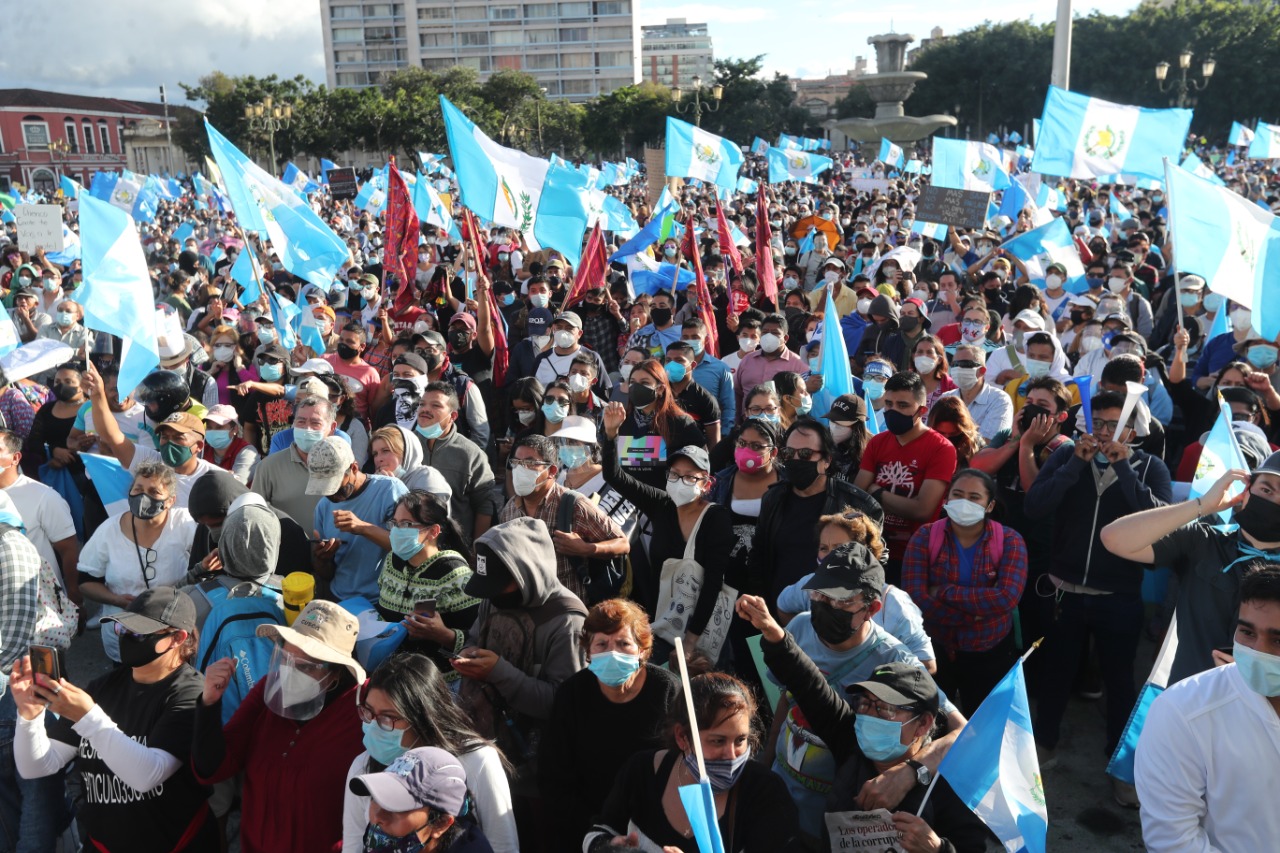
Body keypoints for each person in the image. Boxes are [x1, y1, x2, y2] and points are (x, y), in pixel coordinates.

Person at [739, 595, 989, 853]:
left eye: (887, 708)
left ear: (923, 723)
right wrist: (771, 630)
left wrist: (938, 849)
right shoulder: (850, 743)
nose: (871, 715)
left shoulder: (949, 788)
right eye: (866, 704)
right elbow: (808, 683)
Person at [749, 542, 965, 838]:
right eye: (820, 595)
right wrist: (767, 758)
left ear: (871, 609)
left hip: (836, 807)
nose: (826, 607)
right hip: (784, 784)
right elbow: (789, 697)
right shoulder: (800, 627)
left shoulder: (895, 659)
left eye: (842, 601)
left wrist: (909, 773)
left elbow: (964, 732)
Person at [1023, 390, 1171, 801]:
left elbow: (1158, 520)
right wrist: (1073, 465)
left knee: (1120, 681)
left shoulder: (1150, 466)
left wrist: (1125, 471)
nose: (1105, 434)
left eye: (1114, 425)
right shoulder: (1069, 456)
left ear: (1132, 430)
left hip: (1118, 595)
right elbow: (1035, 505)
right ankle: (1044, 743)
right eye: (1099, 425)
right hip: (1065, 591)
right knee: (1056, 673)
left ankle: (1120, 766)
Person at [11, 588, 218, 852]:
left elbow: (147, 776)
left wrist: (88, 717)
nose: (128, 638)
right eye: (123, 629)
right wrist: (29, 715)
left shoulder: (190, 693)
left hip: (174, 844)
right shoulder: (103, 688)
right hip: (103, 844)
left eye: (139, 633)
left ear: (178, 638)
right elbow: (37, 767)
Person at [193, 600, 367, 853]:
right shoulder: (268, 690)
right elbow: (212, 768)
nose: (290, 672)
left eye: (306, 667)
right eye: (286, 658)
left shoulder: (362, 712)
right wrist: (208, 703)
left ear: (336, 675)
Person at [1134, 564, 1280, 852]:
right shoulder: (1182, 712)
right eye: (1247, 632)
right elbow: (1173, 842)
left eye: (1278, 640)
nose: (1258, 651)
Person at [1099, 457, 1280, 684]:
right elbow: (1113, 538)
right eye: (1266, 489)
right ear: (1247, 490)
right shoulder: (1202, 540)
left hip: (1263, 712)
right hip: (1187, 700)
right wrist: (1203, 505)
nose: (1275, 501)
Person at [584, 672, 801, 852]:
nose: (731, 754)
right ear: (682, 737)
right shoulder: (642, 770)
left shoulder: (765, 792)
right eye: (717, 741)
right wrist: (609, 848)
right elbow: (600, 831)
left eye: (740, 740)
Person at [538, 599, 681, 848]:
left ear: (643, 651)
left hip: (656, 829)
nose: (612, 653)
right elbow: (555, 775)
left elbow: (682, 766)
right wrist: (598, 836)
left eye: (624, 644)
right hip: (587, 827)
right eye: (602, 644)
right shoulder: (572, 694)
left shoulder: (667, 690)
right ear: (589, 653)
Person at [344, 656, 515, 852]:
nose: (374, 725)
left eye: (388, 717)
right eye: (368, 712)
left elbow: (504, 846)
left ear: (424, 718)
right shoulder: (363, 765)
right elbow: (353, 846)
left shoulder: (477, 760)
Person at [901, 469, 1027, 713]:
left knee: (982, 723)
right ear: (947, 499)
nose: (964, 503)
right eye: (957, 495)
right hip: (934, 648)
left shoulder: (1010, 540)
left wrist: (944, 591)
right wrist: (972, 616)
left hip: (990, 650)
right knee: (931, 720)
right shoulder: (925, 536)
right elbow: (915, 597)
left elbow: (1007, 597)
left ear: (989, 505)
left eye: (974, 497)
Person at [773, 508, 936, 671]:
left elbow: (927, 665)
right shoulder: (810, 584)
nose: (830, 556)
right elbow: (784, 605)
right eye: (824, 548)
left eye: (840, 548)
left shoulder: (894, 602)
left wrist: (877, 684)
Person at [751, 417, 883, 607]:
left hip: (832, 615)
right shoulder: (773, 498)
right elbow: (759, 557)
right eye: (789, 453)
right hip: (777, 612)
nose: (796, 460)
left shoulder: (859, 505)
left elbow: (874, 565)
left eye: (805, 454)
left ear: (827, 460)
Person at [0, 489, 69, 853]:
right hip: (12, 690)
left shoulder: (9, 546)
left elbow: (10, 642)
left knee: (35, 799)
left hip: (18, 693)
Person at [78, 461, 197, 662]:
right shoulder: (108, 531)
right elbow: (86, 582)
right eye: (138, 489)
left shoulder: (185, 525)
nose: (144, 497)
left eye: (154, 492)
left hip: (169, 634)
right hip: (124, 633)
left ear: (170, 501)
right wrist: (116, 599)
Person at [854, 372, 958, 584]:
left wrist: (877, 492)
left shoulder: (941, 448)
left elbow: (922, 510)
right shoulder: (878, 442)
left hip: (914, 555)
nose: (893, 411)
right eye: (889, 404)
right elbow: (857, 495)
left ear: (921, 410)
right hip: (872, 549)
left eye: (903, 405)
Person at [499, 434, 628, 602]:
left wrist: (586, 549)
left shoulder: (574, 504)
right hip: (527, 606)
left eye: (530, 463)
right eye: (517, 463)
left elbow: (622, 543)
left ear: (551, 471)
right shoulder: (509, 510)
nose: (521, 469)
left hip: (568, 610)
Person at [376, 490, 480, 679]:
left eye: (407, 524)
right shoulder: (392, 561)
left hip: (436, 682)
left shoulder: (455, 574)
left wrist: (443, 635)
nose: (397, 531)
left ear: (433, 531)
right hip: (393, 675)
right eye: (395, 524)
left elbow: (477, 639)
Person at [413, 382, 501, 540]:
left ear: (452, 416)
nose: (425, 409)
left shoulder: (470, 454)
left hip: (454, 546)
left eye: (435, 405)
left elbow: (485, 505)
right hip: (411, 544)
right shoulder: (406, 445)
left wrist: (475, 549)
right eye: (422, 404)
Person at [0, 429, 79, 597]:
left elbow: (69, 550)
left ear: (15, 458)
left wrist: (75, 597)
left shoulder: (44, 497)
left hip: (39, 602)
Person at [606, 358, 705, 490]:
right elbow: (611, 468)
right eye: (633, 382)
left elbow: (702, 464)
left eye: (644, 382)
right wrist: (611, 433)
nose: (636, 387)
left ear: (660, 389)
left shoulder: (681, 423)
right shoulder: (621, 419)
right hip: (625, 499)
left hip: (663, 501)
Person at [734, 313, 805, 420]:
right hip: (748, 425)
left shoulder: (798, 364)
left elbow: (803, 401)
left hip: (782, 427)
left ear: (785, 338)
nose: (769, 336)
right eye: (765, 332)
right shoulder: (747, 360)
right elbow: (737, 393)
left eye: (775, 333)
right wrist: (736, 421)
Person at [939, 344, 1013, 442]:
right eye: (954, 365)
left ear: (982, 371)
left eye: (965, 364)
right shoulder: (945, 398)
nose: (958, 368)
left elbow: (988, 442)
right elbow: (931, 435)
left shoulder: (999, 400)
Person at [369, 424, 454, 505]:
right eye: (375, 454)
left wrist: (393, 489)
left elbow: (425, 516)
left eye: (386, 451)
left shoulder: (426, 476)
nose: (378, 459)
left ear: (406, 452)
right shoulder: (374, 482)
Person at [201, 403, 259, 484]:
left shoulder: (247, 452)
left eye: (219, 427)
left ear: (234, 429)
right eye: (209, 427)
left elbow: (234, 486)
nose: (212, 431)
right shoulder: (201, 450)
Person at [926, 396, 985, 469]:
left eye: (953, 434)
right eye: (941, 434)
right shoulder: (923, 444)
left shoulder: (975, 445)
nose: (947, 439)